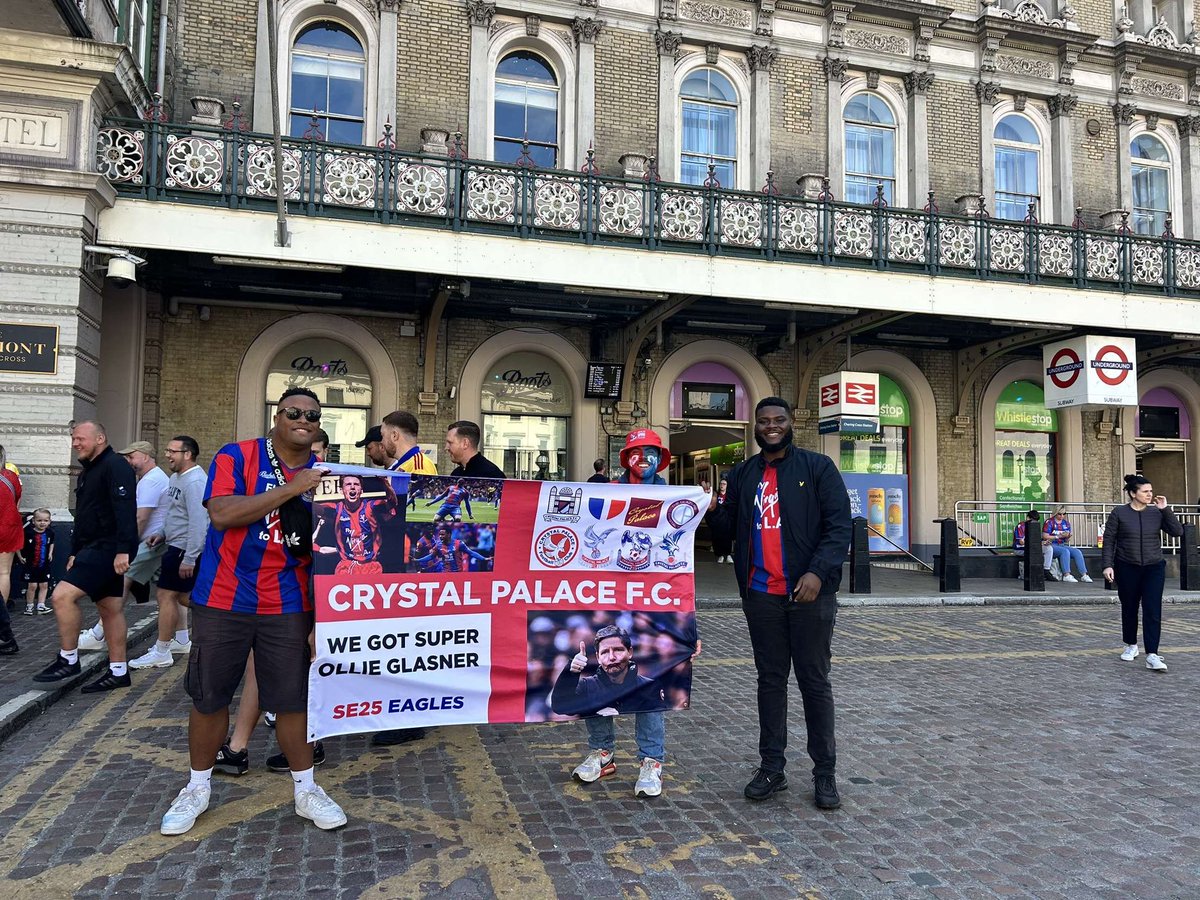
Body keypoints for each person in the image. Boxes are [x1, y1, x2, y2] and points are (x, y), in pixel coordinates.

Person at [159, 387, 347, 836]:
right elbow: (222, 514)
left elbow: (332, 552)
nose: (304, 419)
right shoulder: (237, 456)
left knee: (293, 701)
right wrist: (292, 489)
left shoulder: (328, 477)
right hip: (225, 599)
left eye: (313, 415)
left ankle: (306, 789)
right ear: (276, 416)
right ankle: (196, 788)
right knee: (209, 698)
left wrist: (322, 620)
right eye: (294, 412)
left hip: (288, 603)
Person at [704, 397, 852, 810]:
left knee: (814, 682)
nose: (771, 426)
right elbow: (724, 535)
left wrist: (818, 573)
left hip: (810, 596)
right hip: (761, 595)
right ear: (755, 427)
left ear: (790, 424)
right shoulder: (741, 474)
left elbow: (840, 528)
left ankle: (825, 774)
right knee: (770, 681)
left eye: (778, 420)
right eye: (764, 421)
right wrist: (712, 511)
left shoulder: (818, 468)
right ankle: (772, 768)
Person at [33, 421, 139, 692]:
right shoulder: (90, 469)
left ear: (100, 438)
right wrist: (75, 552)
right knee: (110, 609)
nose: (75, 443)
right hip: (92, 547)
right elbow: (85, 514)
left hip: (107, 548)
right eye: (74, 439)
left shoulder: (115, 465)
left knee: (61, 596)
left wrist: (124, 550)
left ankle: (68, 658)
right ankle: (118, 671)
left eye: (80, 438)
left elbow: (125, 509)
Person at [550, 625, 672, 798]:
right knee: (594, 694)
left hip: (642, 689)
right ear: (598, 657)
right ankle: (603, 755)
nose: (612, 657)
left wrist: (690, 644)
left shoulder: (648, 686)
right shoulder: (589, 685)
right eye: (605, 652)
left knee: (649, 698)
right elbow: (560, 706)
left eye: (618, 650)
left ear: (630, 652)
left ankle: (652, 762)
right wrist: (571, 672)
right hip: (594, 687)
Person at [78, 441, 170, 652]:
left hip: (148, 542)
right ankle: (182, 639)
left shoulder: (151, 481)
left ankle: (99, 633)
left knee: (120, 583)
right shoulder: (150, 479)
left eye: (132, 456)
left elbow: (140, 518)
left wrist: (125, 547)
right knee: (171, 593)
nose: (128, 461)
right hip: (155, 541)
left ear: (146, 456)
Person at [129, 436, 208, 669]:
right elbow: (176, 513)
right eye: (167, 450)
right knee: (182, 597)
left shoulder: (195, 482)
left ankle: (162, 650)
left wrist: (190, 557)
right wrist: (162, 532)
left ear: (188, 454)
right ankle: (183, 639)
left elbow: (198, 521)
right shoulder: (176, 477)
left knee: (166, 596)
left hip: (184, 548)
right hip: (173, 543)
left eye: (173, 451)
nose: (167, 455)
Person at [1101, 474, 1183, 673]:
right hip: (1127, 566)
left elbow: (1177, 531)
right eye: (1145, 491)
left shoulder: (1156, 513)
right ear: (1132, 493)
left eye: (1151, 491)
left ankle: (1153, 654)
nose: (1150, 495)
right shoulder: (1119, 513)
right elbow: (1109, 540)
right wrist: (1107, 565)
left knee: (1153, 609)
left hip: (1154, 567)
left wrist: (1165, 509)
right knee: (1129, 607)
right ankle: (1130, 644)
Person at [314, 474, 399, 574]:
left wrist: (386, 484)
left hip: (371, 567)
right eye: (348, 484)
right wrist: (309, 488)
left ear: (361, 491)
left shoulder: (370, 507)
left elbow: (392, 503)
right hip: (346, 567)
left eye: (356, 484)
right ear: (342, 491)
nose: (352, 487)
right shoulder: (336, 509)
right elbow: (315, 508)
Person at [0, 446, 22, 655]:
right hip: (9, 526)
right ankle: (3, 610)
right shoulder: (10, 476)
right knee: (4, 573)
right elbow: (17, 498)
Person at [381, 410, 438, 476]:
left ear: (394, 435)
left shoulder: (419, 467)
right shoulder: (405, 465)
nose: (382, 442)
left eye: (383, 436)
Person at [20, 508, 55, 615]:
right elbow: (19, 544)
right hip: (31, 563)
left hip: (44, 563)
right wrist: (20, 556)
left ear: (49, 521)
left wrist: (50, 553)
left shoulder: (50, 532)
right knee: (32, 585)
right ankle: (29, 606)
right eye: (39, 520)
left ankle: (41, 605)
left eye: (45, 520)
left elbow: (52, 542)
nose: (42, 523)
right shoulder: (28, 532)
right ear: (34, 521)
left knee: (44, 584)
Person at [1044, 506, 1092, 582]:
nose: (1062, 516)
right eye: (1059, 514)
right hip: (1051, 545)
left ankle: (1084, 575)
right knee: (1065, 551)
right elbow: (1045, 536)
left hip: (1062, 544)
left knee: (1077, 552)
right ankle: (1066, 574)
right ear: (1056, 513)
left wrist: (1067, 536)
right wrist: (1058, 536)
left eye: (1064, 514)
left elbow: (1067, 540)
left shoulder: (1066, 523)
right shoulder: (1049, 522)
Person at [1012, 509, 1054, 581]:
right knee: (1035, 552)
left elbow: (1036, 540)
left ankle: (1046, 570)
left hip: (1033, 547)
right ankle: (1034, 574)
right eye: (1033, 520)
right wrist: (1038, 543)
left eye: (1036, 520)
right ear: (1028, 518)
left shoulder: (1035, 526)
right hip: (1020, 549)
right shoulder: (1021, 526)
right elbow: (1021, 542)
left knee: (1048, 548)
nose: (1034, 522)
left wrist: (1044, 542)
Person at [711, 477, 733, 564]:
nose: (722, 486)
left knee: (727, 538)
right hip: (717, 520)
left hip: (727, 520)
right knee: (718, 538)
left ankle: (728, 555)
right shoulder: (716, 495)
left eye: (724, 484)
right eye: (721, 484)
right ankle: (720, 555)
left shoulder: (729, 496)